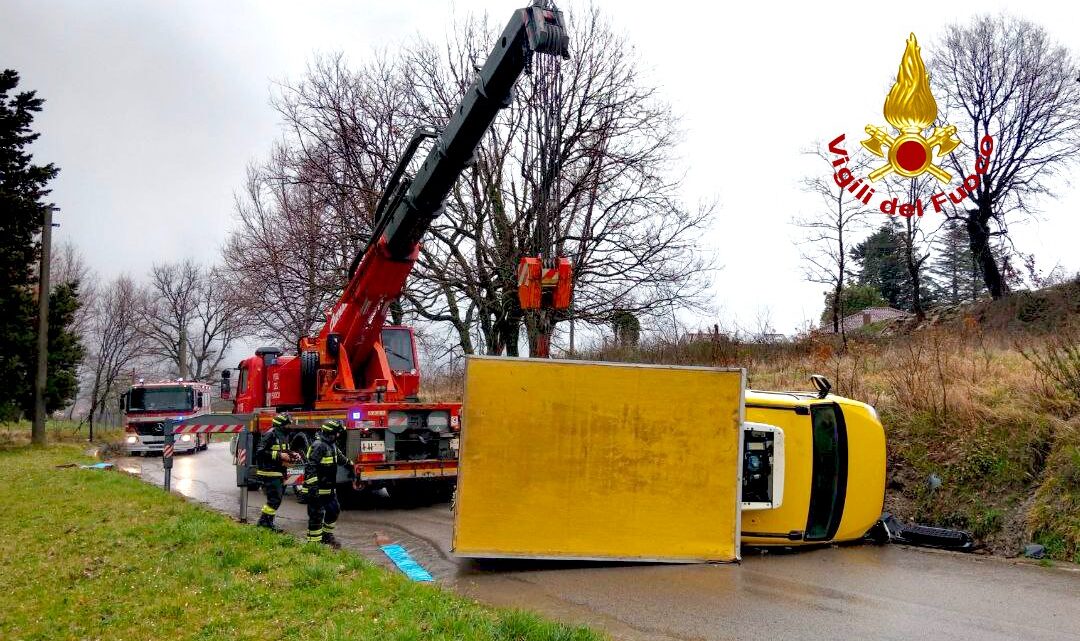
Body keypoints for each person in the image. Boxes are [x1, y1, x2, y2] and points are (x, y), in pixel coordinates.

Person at [303, 419, 350, 547]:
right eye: (337, 433)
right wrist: (313, 487)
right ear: (331, 433)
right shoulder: (319, 446)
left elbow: (340, 459)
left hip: (328, 489)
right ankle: (313, 545)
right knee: (316, 516)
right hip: (316, 489)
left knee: (334, 510)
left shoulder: (332, 445)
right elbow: (310, 467)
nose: (339, 435)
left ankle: (326, 536)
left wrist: (351, 465)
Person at [254, 413, 296, 531]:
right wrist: (279, 455)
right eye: (287, 424)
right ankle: (264, 523)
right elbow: (260, 452)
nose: (289, 426)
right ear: (281, 425)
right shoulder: (270, 434)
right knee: (274, 499)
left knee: (275, 499)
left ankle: (266, 523)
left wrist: (292, 454)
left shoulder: (283, 435)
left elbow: (283, 450)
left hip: (278, 471)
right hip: (269, 471)